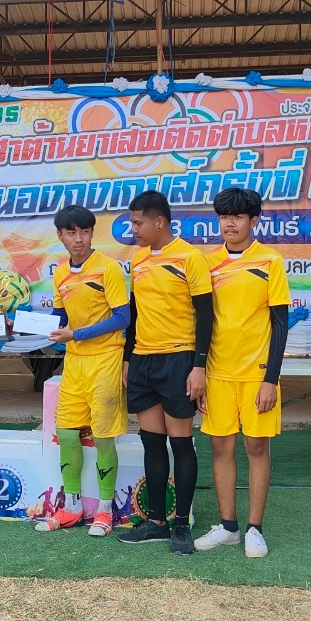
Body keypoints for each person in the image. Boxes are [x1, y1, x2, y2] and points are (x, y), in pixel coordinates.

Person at [193, 187, 290, 558]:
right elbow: (201, 321)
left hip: (257, 374)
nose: (229, 224)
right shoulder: (207, 262)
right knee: (220, 446)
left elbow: (279, 323)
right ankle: (228, 527)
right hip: (217, 373)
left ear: (253, 220)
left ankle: (255, 529)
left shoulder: (270, 261)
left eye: (237, 217)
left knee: (256, 446)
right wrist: (200, 372)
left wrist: (270, 379)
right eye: (223, 217)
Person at [117, 191, 213, 555]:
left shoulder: (191, 258)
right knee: (152, 442)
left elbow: (206, 315)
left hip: (178, 359)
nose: (133, 229)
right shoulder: (138, 258)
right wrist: (128, 358)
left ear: (159, 222)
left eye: (138, 223)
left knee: (181, 442)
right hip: (143, 360)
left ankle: (181, 524)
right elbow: (135, 313)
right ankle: (156, 522)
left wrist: (199, 365)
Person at [37, 205, 130, 537]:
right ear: (60, 235)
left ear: (92, 233)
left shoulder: (109, 268)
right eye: (71, 232)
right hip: (75, 363)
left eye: (85, 231)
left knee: (103, 438)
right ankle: (72, 507)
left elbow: (122, 318)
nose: (78, 239)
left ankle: (105, 510)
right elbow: (60, 319)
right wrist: (20, 325)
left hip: (105, 359)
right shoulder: (60, 272)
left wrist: (75, 334)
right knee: (66, 434)